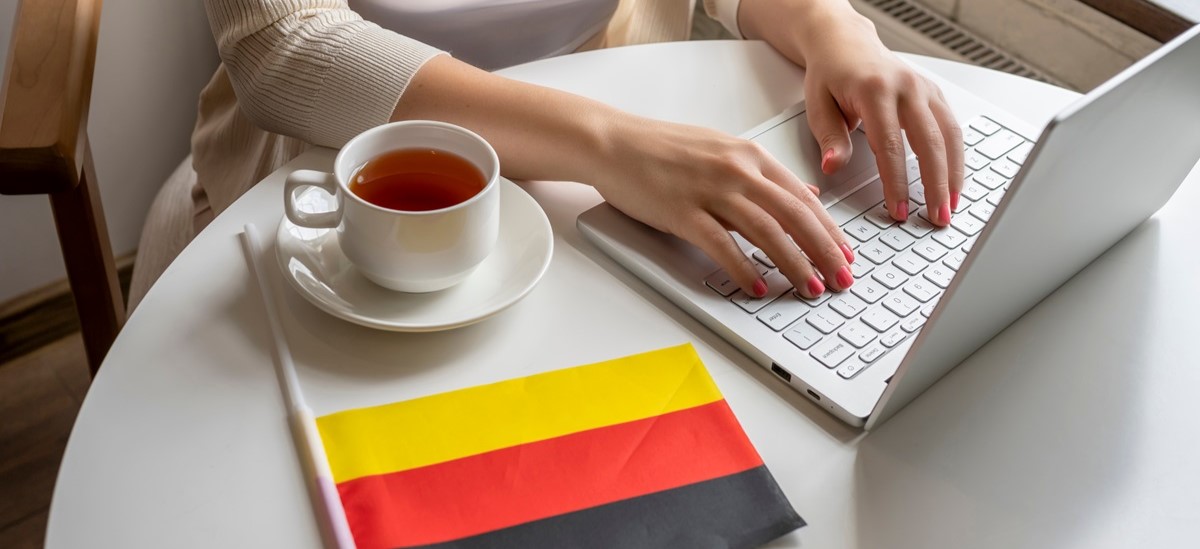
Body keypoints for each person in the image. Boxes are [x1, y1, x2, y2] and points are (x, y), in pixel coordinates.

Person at [128, 0, 962, 311]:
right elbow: (283, 43)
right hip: (339, 183)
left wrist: (833, 30)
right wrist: (608, 145)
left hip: (613, 164)